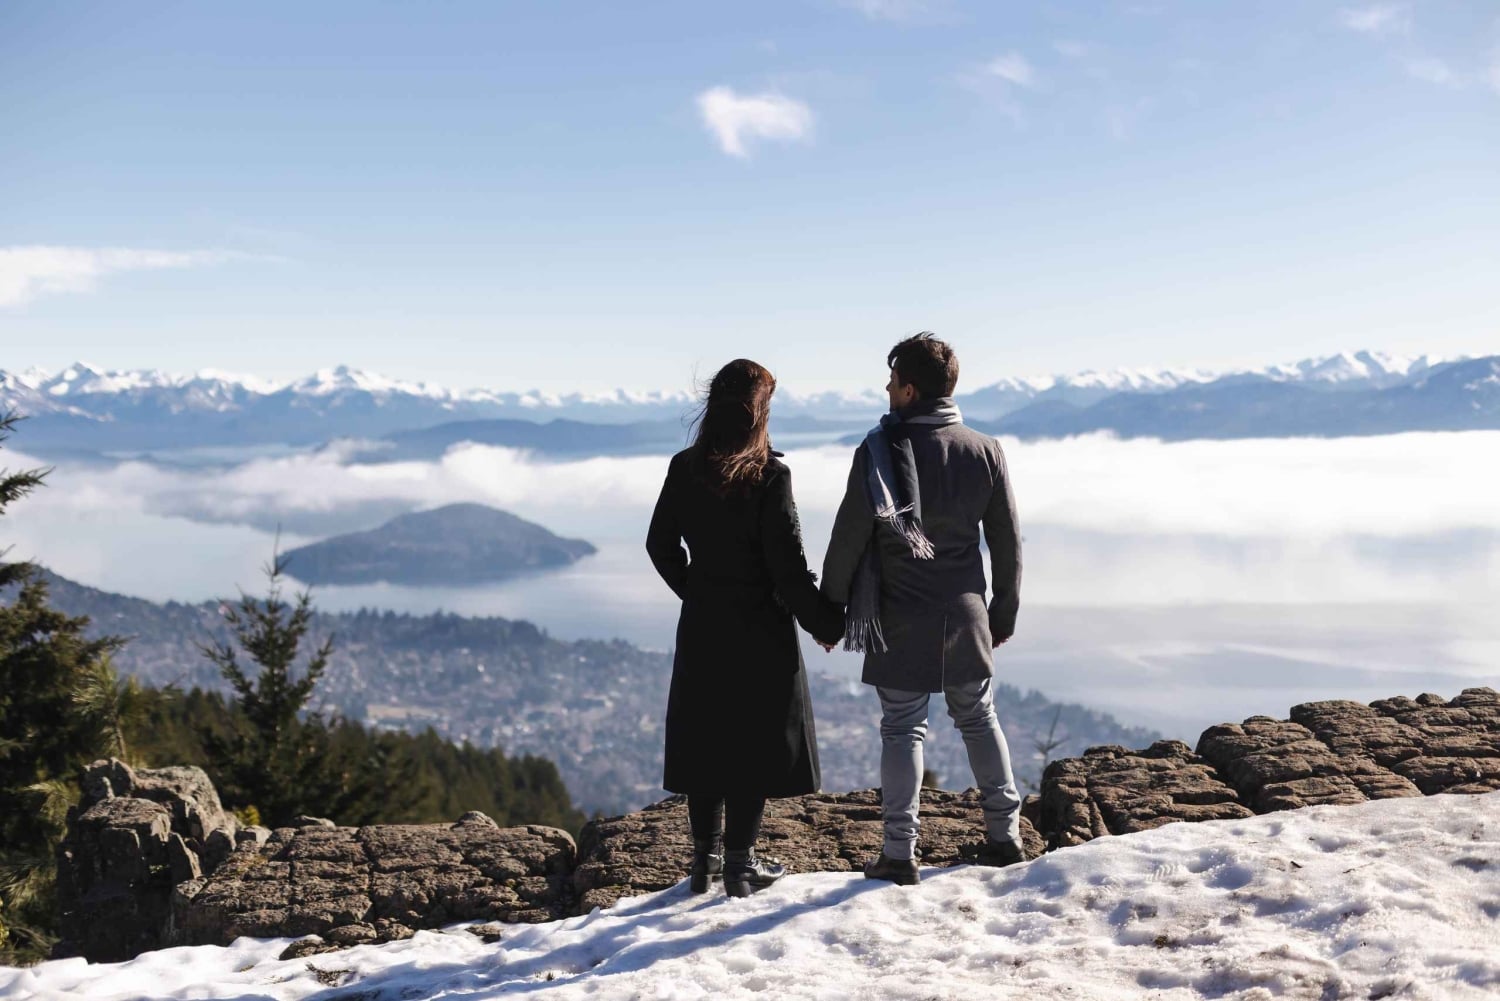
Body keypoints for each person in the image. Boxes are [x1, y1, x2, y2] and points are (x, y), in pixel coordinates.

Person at [820, 332, 1025, 885]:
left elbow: (848, 539)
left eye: (891, 381)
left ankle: (899, 851)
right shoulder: (985, 450)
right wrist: (1001, 613)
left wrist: (829, 609)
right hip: (965, 614)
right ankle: (1006, 837)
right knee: (979, 719)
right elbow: (1006, 543)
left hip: (898, 614)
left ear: (909, 391)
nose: (886, 390)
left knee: (903, 729)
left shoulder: (877, 453)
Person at [646, 358, 845, 897]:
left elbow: (659, 546)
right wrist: (827, 622)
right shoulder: (769, 476)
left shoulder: (684, 467)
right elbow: (788, 567)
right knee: (753, 738)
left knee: (706, 733)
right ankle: (741, 863)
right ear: (759, 412)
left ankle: (703, 864)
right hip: (761, 628)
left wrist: (698, 592)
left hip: (705, 624)